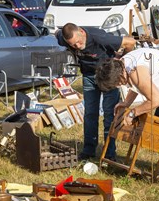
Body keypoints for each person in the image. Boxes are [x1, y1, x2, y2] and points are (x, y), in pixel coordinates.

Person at [95, 48, 159, 173]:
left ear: (120, 75)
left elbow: (155, 101)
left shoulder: (136, 72)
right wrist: (126, 103)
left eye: (117, 83)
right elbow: (136, 85)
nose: (119, 86)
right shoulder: (123, 64)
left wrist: (133, 113)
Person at [57, 23, 136, 160]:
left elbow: (130, 42)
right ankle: (88, 150)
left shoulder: (100, 38)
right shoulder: (62, 37)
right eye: (73, 45)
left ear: (82, 32)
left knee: (109, 114)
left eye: (78, 42)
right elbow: (57, 34)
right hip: (89, 76)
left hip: (108, 76)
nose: (77, 46)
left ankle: (109, 154)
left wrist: (121, 62)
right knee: (90, 114)